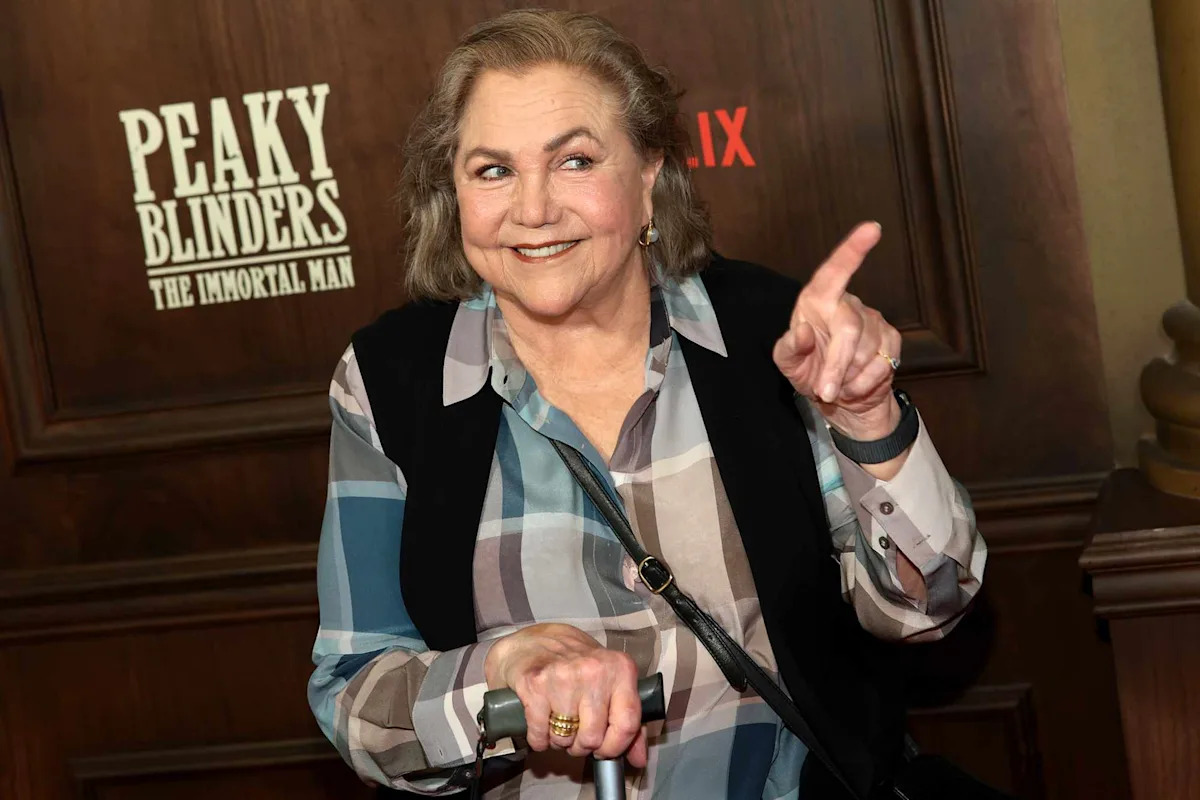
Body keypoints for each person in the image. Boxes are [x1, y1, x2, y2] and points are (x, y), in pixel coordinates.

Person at [308, 9, 986, 799]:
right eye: (493, 170)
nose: (532, 209)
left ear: (650, 173)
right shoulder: (390, 382)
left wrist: (868, 418)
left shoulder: (768, 334)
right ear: (452, 193)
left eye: (575, 161)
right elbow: (353, 692)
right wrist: (502, 672)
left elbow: (927, 607)